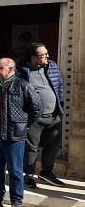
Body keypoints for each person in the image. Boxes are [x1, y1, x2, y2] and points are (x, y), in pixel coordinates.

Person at [0, 58, 42, 207]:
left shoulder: (23, 85)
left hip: (13, 135)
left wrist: (23, 125)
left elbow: (37, 109)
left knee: (15, 170)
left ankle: (16, 202)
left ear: (10, 69)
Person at [16, 42, 65, 188]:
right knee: (31, 147)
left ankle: (47, 172)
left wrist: (59, 105)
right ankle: (28, 176)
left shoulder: (52, 66)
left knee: (53, 144)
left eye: (46, 54)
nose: (47, 57)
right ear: (33, 58)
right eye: (43, 55)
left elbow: (59, 86)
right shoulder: (22, 71)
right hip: (34, 117)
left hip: (54, 115)